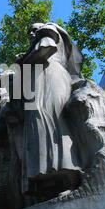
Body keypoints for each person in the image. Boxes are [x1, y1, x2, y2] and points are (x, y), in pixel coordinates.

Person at [18, 22, 83, 197]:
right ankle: (50, 178)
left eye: (33, 29)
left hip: (49, 77)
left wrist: (23, 60)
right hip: (41, 79)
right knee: (39, 124)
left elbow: (45, 48)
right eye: (29, 32)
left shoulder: (46, 35)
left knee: (50, 120)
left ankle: (67, 174)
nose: (31, 34)